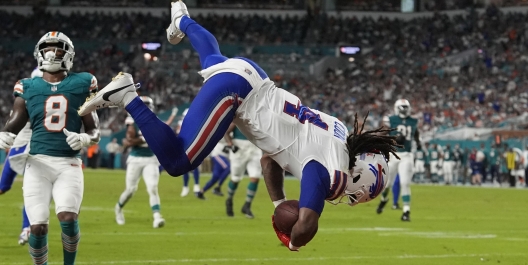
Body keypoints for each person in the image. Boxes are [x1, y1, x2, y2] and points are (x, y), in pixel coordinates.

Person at [77, 0, 399, 251]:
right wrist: (293, 241)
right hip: (240, 96)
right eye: (358, 195)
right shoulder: (333, 172)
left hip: (253, 76)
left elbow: (269, 159)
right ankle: (128, 96)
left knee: (212, 59)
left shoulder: (340, 135)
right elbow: (307, 223)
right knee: (178, 161)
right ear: (359, 177)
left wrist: (277, 205)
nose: (351, 197)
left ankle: (182, 20)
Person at [0, 32, 100, 265]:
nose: (52, 53)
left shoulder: (82, 82)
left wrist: (86, 138)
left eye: (58, 49)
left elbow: (94, 129)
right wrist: (5, 134)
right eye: (47, 49)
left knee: (68, 218)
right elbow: (15, 121)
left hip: (68, 162)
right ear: (38, 53)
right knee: (38, 227)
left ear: (68, 54)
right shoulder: (28, 86)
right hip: (38, 163)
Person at [0, 68, 42, 246]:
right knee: (3, 187)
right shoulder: (28, 101)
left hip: (31, 151)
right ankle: (26, 228)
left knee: (30, 191)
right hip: (20, 149)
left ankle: (26, 228)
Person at [114, 96, 166, 228]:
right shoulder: (132, 121)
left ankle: (157, 217)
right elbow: (129, 141)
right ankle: (118, 208)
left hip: (151, 159)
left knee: (153, 188)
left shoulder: (154, 121)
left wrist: (142, 139)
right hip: (136, 159)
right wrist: (145, 139)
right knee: (130, 190)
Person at [376, 99, 421, 221]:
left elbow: (415, 132)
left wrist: (418, 142)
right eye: (402, 107)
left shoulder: (413, 121)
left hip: (407, 155)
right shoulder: (390, 119)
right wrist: (394, 139)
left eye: (406, 107)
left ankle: (406, 211)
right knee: (387, 184)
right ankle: (384, 200)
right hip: (393, 155)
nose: (404, 109)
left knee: (405, 183)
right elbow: (383, 134)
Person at [223, 123, 262, 219]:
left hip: (254, 146)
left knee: (255, 177)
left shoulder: (259, 115)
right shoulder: (240, 114)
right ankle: (229, 199)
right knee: (235, 178)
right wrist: (230, 144)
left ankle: (247, 205)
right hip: (239, 148)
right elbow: (226, 132)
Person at [176, 108, 202, 197]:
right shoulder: (183, 123)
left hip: (193, 145)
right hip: (183, 146)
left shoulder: (197, 122)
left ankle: (196, 186)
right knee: (185, 167)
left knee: (194, 166)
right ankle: (186, 187)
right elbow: (178, 133)